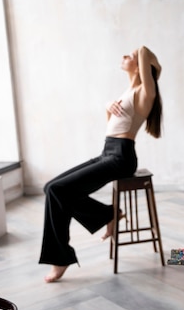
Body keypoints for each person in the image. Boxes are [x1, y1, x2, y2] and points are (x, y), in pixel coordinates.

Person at [39, 45, 163, 283]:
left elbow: (145, 50)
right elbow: (111, 127)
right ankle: (108, 214)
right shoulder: (128, 91)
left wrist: (143, 57)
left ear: (141, 66)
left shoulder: (146, 92)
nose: (125, 55)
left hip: (121, 157)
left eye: (130, 55)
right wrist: (108, 106)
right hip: (107, 151)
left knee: (57, 190)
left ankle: (61, 258)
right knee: (50, 188)